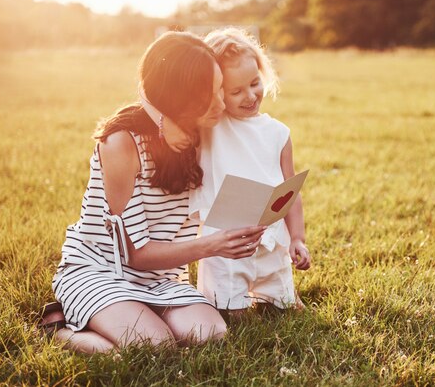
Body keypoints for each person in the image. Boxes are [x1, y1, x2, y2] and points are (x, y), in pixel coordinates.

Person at [39, 31, 266, 353]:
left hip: (163, 277)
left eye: (220, 89)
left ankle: (112, 317)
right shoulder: (121, 143)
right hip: (101, 269)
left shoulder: (205, 129)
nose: (221, 103)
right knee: (154, 346)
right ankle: (58, 328)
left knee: (211, 333)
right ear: (179, 98)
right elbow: (135, 254)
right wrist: (213, 245)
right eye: (209, 94)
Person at [143, 28, 311, 314]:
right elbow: (150, 96)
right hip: (223, 243)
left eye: (255, 83)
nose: (250, 96)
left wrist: (297, 238)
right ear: (216, 90)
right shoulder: (211, 126)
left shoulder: (278, 133)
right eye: (235, 91)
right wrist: (167, 125)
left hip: (271, 239)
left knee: (289, 308)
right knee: (234, 316)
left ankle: (276, 294)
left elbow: (291, 192)